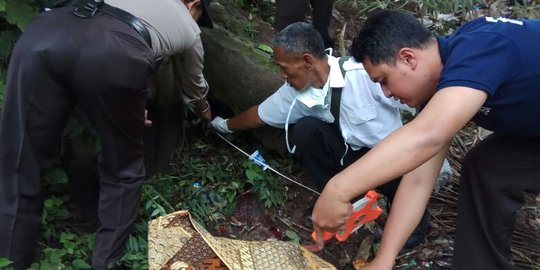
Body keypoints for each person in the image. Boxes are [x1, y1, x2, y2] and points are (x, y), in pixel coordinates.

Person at [311, 10, 540, 270]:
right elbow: (418, 180)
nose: (386, 93)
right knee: (488, 168)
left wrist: (337, 190)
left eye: (384, 80)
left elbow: (427, 136)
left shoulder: (482, 47)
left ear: (408, 58)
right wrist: (385, 257)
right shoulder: (447, 84)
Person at [0, 0, 213, 268]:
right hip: (114, 53)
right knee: (124, 171)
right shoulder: (189, 28)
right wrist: (205, 111)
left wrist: (131, 103)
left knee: (20, 160)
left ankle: (8, 261)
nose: (195, 21)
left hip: (44, 34)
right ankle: (104, 263)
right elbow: (194, 83)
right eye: (198, 15)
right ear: (193, 4)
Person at [210, 21, 431, 249]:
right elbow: (259, 114)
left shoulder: (363, 75)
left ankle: (415, 219)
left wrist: (429, 148)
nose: (282, 74)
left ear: (306, 61)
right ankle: (343, 202)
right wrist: (223, 125)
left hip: (390, 160)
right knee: (305, 129)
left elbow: (422, 97)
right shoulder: (294, 92)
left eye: (284, 67)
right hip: (351, 155)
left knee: (402, 169)